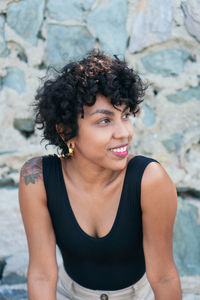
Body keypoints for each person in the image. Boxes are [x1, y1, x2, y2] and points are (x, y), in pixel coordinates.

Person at [19, 51, 182, 300]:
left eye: (125, 115)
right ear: (65, 131)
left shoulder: (150, 180)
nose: (123, 132)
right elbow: (42, 275)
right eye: (105, 120)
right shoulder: (37, 178)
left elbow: (163, 276)